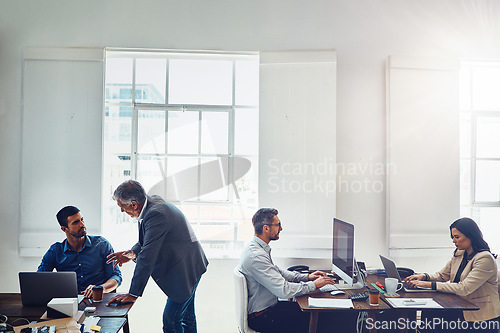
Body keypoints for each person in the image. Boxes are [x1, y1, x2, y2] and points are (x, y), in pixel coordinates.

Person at [106, 180, 209, 333]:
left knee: (171, 321)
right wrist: (132, 253)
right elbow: (149, 239)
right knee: (186, 317)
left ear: (133, 204)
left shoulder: (156, 214)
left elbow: (147, 257)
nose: (122, 211)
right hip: (191, 263)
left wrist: (133, 294)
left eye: (122, 207)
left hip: (186, 269)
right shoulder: (152, 203)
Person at [238, 208, 337, 333]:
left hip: (270, 310)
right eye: (278, 225)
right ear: (266, 228)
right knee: (326, 320)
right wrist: (313, 285)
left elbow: (278, 272)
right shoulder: (256, 256)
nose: (281, 228)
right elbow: (284, 290)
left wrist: (307, 277)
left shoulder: (257, 249)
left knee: (320, 312)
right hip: (264, 317)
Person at [405, 217, 500, 333]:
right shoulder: (460, 253)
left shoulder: (485, 258)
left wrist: (429, 285)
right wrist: (424, 276)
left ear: (470, 236)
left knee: (434, 320)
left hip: (479, 316)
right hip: (460, 306)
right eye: (453, 237)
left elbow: (464, 288)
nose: (454, 241)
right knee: (429, 314)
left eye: (457, 237)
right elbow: (442, 275)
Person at [38, 206, 122, 298]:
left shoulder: (102, 245)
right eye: (75, 222)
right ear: (64, 229)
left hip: (99, 301)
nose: (82, 224)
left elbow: (116, 276)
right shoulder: (55, 251)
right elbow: (39, 280)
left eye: (82, 219)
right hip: (70, 303)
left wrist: (100, 289)